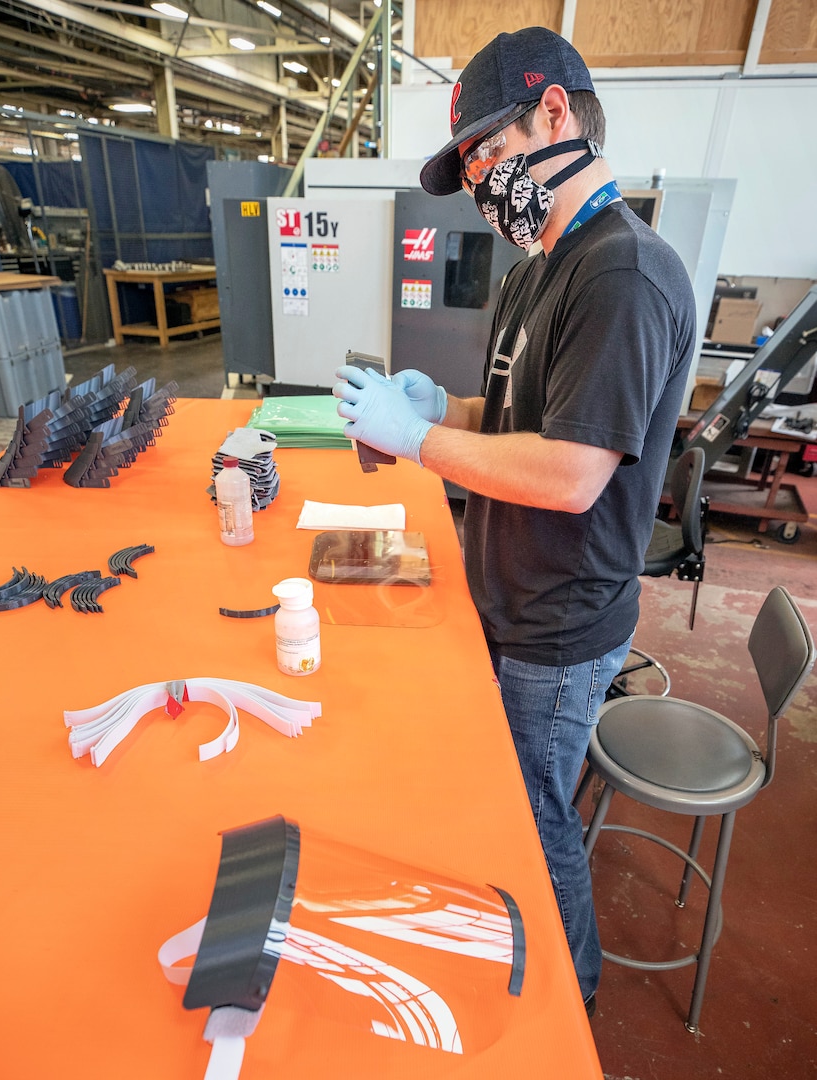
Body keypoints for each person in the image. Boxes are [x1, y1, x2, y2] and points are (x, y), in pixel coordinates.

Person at [332, 26, 696, 1014]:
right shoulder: (539, 267)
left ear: (554, 114)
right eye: (470, 168)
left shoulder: (621, 272)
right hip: (502, 590)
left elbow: (571, 473)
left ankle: (563, 1008)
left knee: (539, 828)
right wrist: (436, 409)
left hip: (557, 623)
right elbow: (517, 424)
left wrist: (414, 442)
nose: (484, 183)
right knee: (502, 806)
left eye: (489, 154)